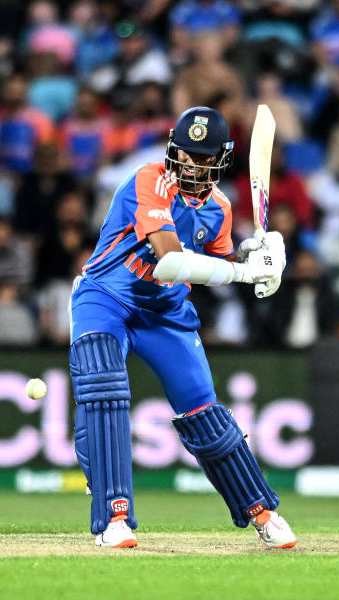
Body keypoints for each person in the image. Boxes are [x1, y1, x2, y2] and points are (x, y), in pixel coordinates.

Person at [69, 106, 295, 549]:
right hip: (106, 297)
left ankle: (263, 513)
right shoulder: (149, 180)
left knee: (205, 414)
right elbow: (171, 259)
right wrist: (244, 273)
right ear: (173, 149)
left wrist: (258, 259)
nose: (191, 164)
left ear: (220, 159)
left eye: (202, 156)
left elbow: (215, 264)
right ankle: (115, 518)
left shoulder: (221, 209)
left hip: (166, 313)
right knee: (103, 390)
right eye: (185, 154)